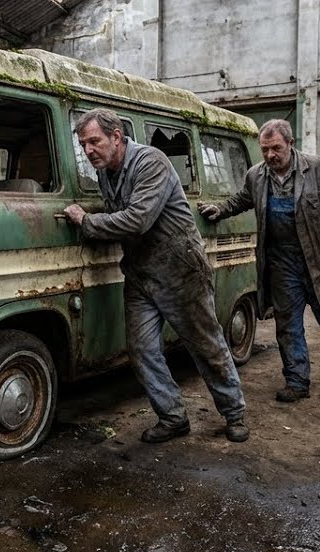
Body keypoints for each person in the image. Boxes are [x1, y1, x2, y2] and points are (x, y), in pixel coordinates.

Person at [62, 109, 249, 444]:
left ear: (116, 137)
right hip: (141, 273)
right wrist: (94, 216)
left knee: (205, 345)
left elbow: (137, 220)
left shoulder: (151, 162)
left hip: (181, 270)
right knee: (143, 349)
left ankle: (234, 413)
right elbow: (120, 213)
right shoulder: (107, 172)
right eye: (83, 144)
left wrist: (86, 222)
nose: (88, 150)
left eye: (94, 141)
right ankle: (173, 417)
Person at [197, 119, 320, 403]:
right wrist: (220, 209)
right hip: (282, 263)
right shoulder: (257, 176)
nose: (271, 155)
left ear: (291, 144)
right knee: (287, 325)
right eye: (265, 150)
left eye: (276, 148)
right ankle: (297, 381)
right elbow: (242, 200)